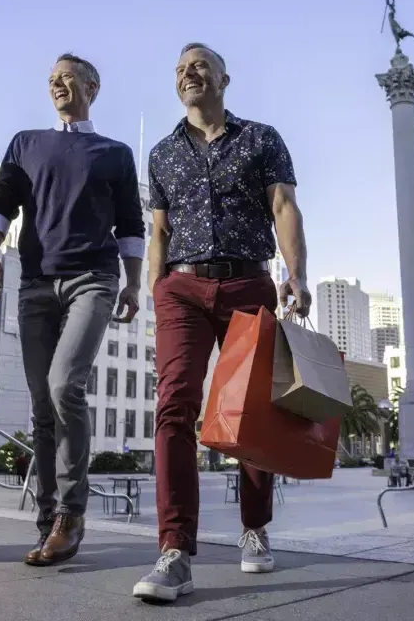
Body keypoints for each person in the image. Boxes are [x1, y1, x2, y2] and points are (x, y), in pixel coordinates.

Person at [133, 43, 311, 602]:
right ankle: (174, 550)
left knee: (250, 411)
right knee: (175, 403)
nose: (189, 72)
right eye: (180, 68)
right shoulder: (161, 153)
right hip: (181, 288)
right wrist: (154, 288)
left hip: (247, 284)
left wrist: (297, 276)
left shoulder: (262, 138)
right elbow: (158, 230)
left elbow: (283, 206)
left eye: (199, 64)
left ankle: (254, 531)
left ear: (224, 78)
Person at [0, 53, 144, 567]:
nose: (56, 85)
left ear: (92, 86)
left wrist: (134, 285)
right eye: (50, 79)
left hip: (93, 279)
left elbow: (131, 224)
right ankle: (47, 519)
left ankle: (72, 515)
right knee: (40, 407)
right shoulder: (25, 144)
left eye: (66, 77)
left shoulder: (114, 152)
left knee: (63, 386)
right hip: (33, 283)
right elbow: (1, 203)